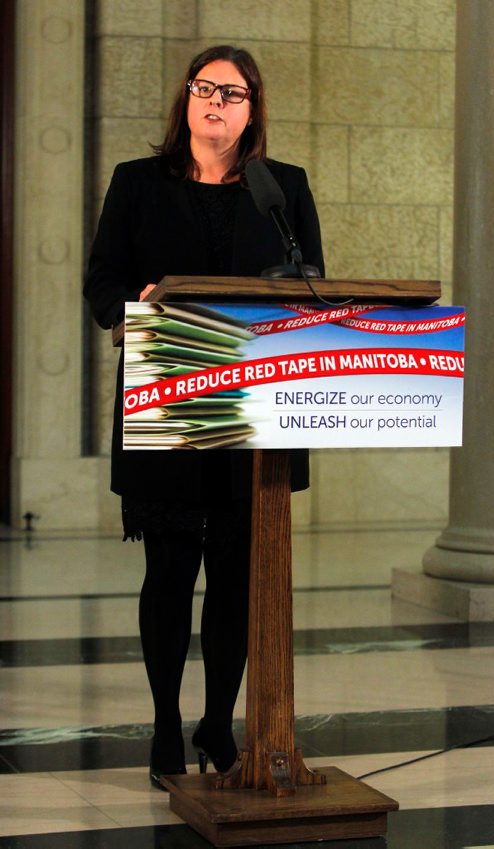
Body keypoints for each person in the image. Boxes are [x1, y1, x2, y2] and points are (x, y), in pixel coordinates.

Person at [84, 44, 324, 789]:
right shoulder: (137, 184)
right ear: (185, 101)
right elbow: (102, 288)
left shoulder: (280, 188)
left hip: (255, 402)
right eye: (203, 87)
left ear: (254, 109)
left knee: (236, 578)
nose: (215, 100)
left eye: (233, 91)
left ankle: (218, 722)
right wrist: (138, 304)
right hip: (173, 393)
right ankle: (163, 722)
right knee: (170, 571)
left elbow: (313, 283)